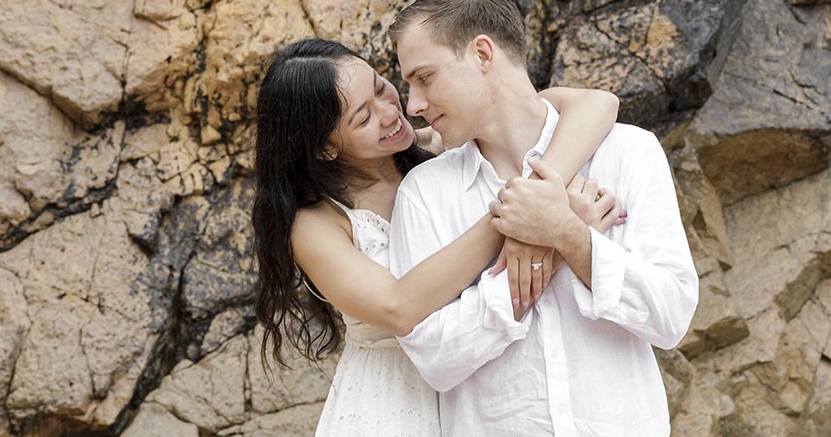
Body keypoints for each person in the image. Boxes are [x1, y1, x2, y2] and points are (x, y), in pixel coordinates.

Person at [251, 37, 624, 437]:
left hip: (485, 380)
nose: (392, 111)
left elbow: (597, 103)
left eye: (380, 87)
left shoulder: (445, 140)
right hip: (393, 405)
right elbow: (399, 308)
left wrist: (540, 209)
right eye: (363, 118)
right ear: (326, 148)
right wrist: (520, 221)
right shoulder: (315, 222)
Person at [388, 0, 698, 437]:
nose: (413, 105)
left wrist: (571, 236)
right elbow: (434, 359)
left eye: (424, 78)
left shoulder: (628, 151)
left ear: (482, 54)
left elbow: (671, 316)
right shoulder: (423, 193)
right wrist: (550, 248)